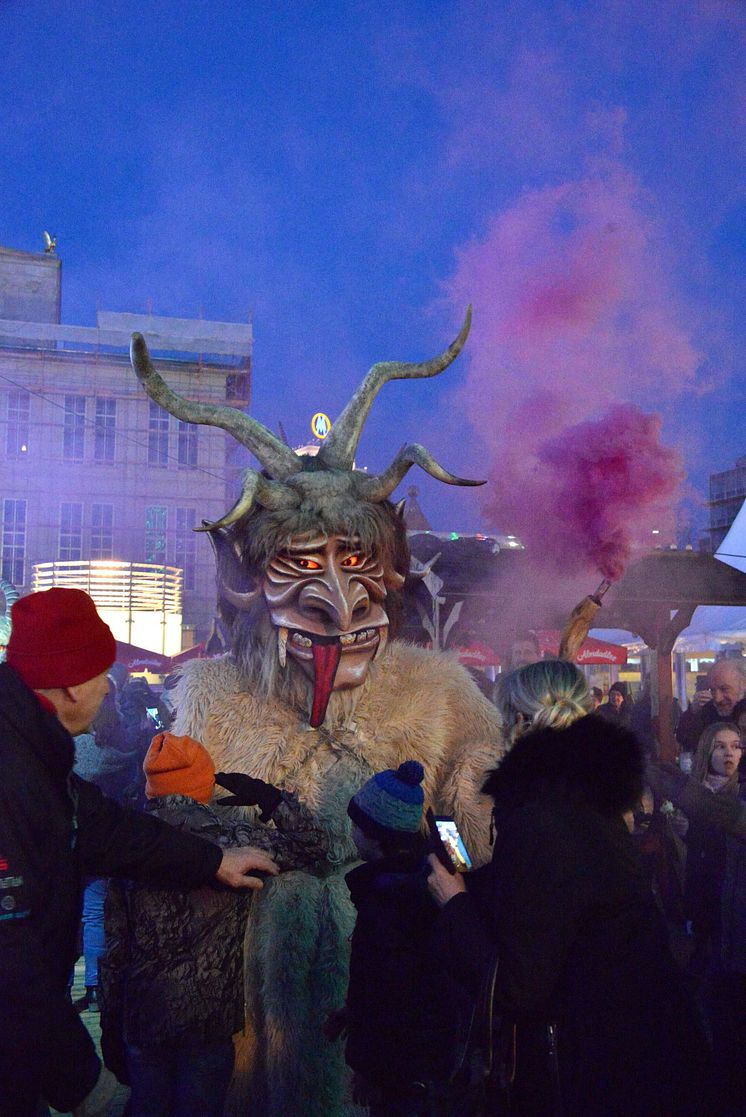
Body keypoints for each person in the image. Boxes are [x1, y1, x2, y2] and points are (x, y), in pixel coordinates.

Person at [0, 588, 278, 1117]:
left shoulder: (33, 753)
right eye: (102, 674)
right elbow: (8, 960)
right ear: (71, 685)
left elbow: (110, 830)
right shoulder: (9, 773)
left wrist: (212, 860)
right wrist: (87, 1087)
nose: (110, 688)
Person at [428, 659, 720, 1117]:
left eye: (503, 718)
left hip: (599, 1072)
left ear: (521, 723)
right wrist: (475, 883)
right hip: (650, 1052)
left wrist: (456, 903)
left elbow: (520, 988)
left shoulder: (542, 817)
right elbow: (560, 900)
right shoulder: (584, 801)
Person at [100, 730, 333, 1117]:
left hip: (143, 1015)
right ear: (203, 783)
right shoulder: (233, 840)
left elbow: (113, 949)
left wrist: (110, 1026)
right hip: (206, 1022)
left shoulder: (129, 845)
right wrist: (269, 798)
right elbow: (314, 846)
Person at [329, 759, 467, 1117]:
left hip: (401, 1076)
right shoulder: (429, 876)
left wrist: (368, 1070)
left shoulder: (385, 903)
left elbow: (381, 989)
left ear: (375, 835)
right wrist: (352, 1014)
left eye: (357, 826)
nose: (352, 833)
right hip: (436, 1062)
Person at [676, 658, 746, 755]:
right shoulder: (709, 709)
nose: (717, 698)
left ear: (743, 684)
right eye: (712, 690)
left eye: (724, 689)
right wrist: (692, 712)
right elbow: (685, 741)